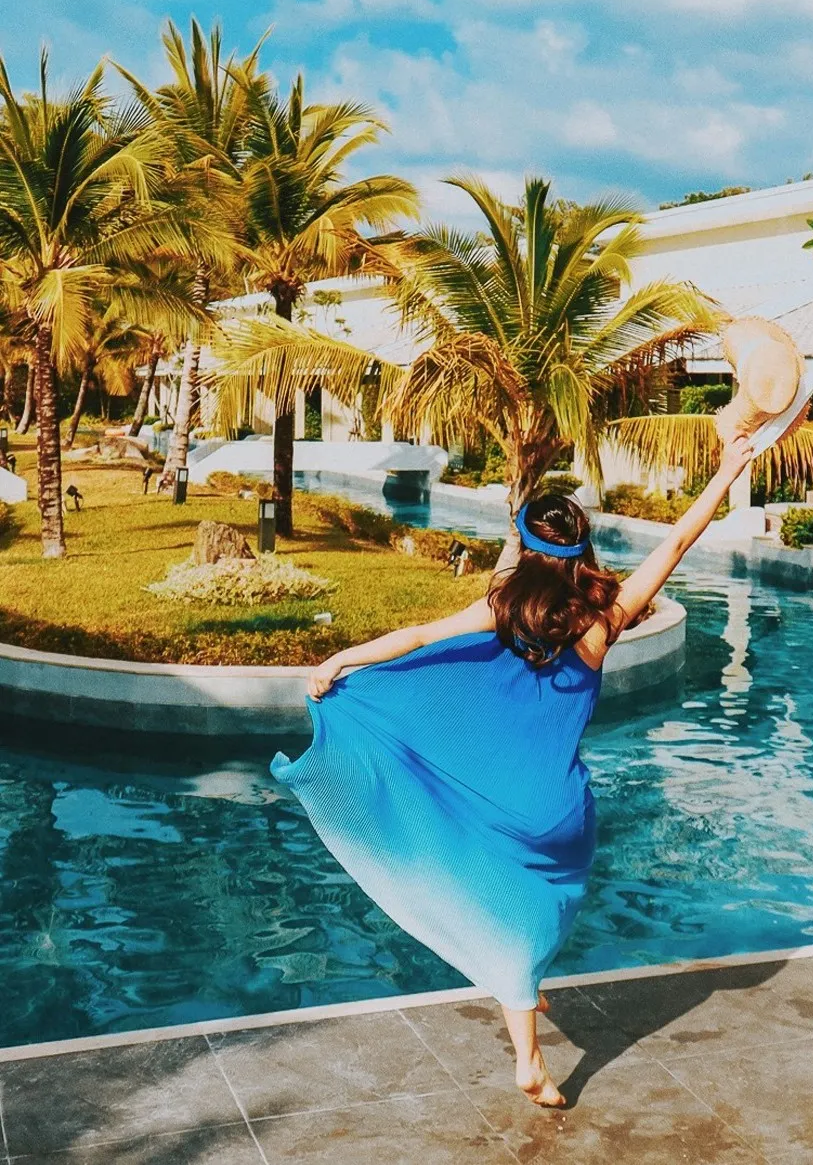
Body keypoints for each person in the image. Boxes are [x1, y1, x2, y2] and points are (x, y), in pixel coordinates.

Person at [272, 434, 753, 1108]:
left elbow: (416, 639)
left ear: (526, 549)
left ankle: (528, 1056)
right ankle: (526, 972)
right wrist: (725, 472)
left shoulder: (501, 606)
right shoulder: (602, 619)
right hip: (561, 810)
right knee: (554, 892)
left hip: (498, 797)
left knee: (500, 900)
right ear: (581, 552)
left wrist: (342, 659)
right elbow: (673, 544)